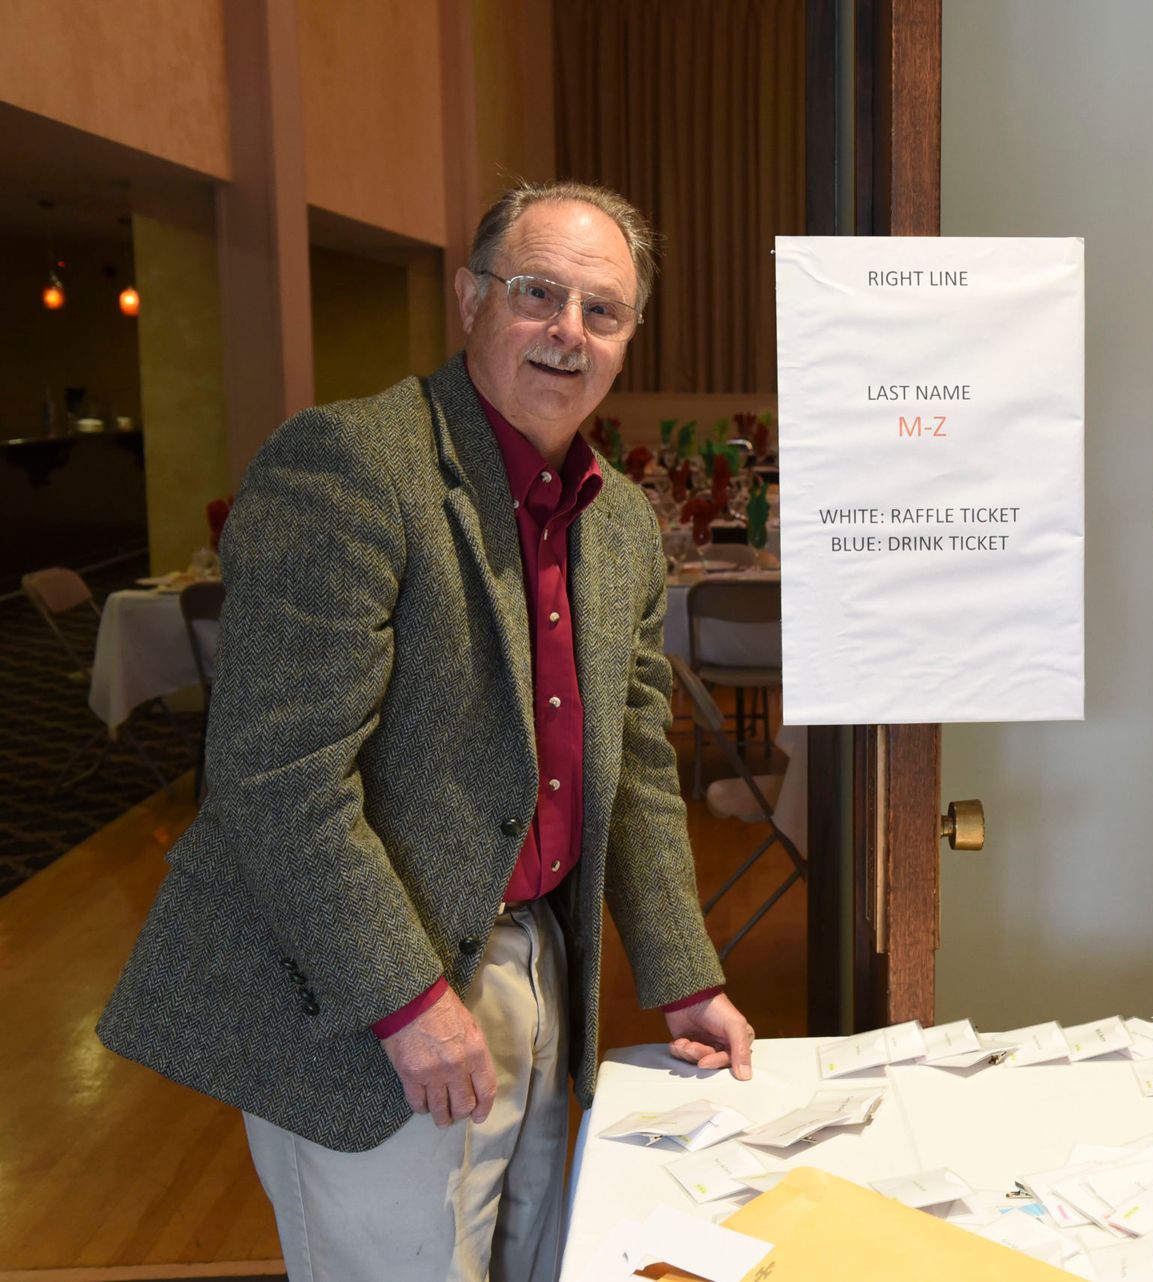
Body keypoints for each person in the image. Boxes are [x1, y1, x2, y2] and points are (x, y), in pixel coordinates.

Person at [98, 181, 754, 1282]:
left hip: (542, 956)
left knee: (532, 1260)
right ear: (470, 296)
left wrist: (684, 973)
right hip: (365, 985)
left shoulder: (620, 520)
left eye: (602, 310)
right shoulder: (349, 466)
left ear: (628, 336)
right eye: (538, 293)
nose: (568, 331)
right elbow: (277, 778)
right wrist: (405, 998)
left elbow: (635, 764)